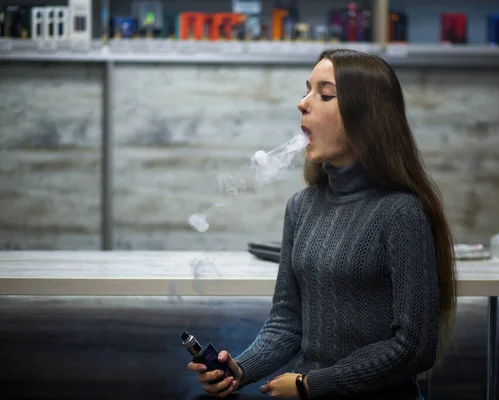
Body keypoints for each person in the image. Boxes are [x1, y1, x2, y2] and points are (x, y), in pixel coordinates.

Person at [187, 48, 457, 400]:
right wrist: (239, 369)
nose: (303, 103)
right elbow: (287, 321)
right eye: (307, 90)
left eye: (325, 94)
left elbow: (415, 347)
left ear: (366, 117)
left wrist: (310, 384)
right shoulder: (301, 206)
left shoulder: (400, 213)